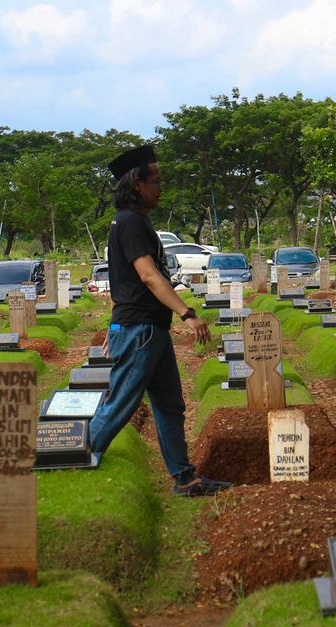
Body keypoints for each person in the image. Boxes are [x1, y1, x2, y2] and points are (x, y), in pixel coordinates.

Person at [88, 145, 231, 497]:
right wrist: (187, 313)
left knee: (169, 404)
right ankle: (70, 453)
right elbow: (149, 276)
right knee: (122, 401)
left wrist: (114, 324)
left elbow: (126, 284)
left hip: (149, 328)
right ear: (137, 183)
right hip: (142, 331)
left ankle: (185, 479)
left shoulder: (133, 221)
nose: (160, 188)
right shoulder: (131, 222)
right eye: (156, 181)